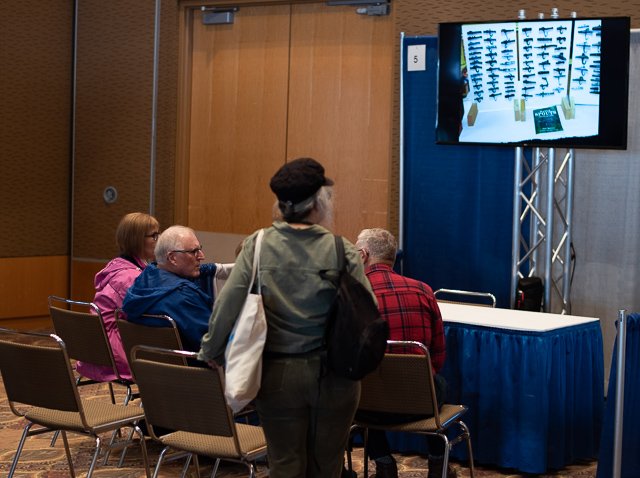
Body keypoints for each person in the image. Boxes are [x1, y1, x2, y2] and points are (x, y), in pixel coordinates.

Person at [199, 157, 374, 478]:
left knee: (284, 464)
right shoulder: (342, 250)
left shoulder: (257, 245)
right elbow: (368, 312)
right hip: (335, 377)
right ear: (319, 202)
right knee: (327, 466)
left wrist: (211, 350)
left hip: (277, 376)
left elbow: (227, 305)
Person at [355, 228, 453, 478]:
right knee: (438, 382)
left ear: (363, 255)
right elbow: (438, 357)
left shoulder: (353, 295)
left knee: (359, 385)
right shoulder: (423, 291)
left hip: (369, 407)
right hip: (421, 404)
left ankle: (384, 463)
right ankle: (438, 463)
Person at [76, 212, 160, 382]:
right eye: (154, 236)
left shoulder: (118, 265)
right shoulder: (130, 277)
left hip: (95, 348)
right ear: (138, 240)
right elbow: (150, 316)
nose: (159, 240)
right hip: (115, 352)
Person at [122, 225, 220, 352]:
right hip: (191, 364)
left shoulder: (139, 285)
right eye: (194, 251)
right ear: (173, 258)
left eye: (200, 249)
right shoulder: (184, 296)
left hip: (146, 364)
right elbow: (214, 344)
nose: (202, 256)